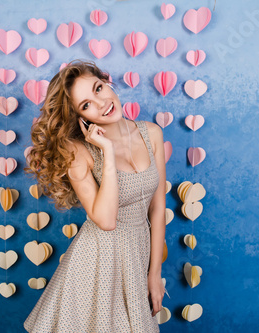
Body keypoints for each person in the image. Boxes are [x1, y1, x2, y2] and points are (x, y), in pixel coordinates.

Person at [23, 59, 167, 332]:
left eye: (99, 89)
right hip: (97, 261)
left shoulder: (152, 134)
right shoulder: (78, 152)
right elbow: (106, 220)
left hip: (137, 256)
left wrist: (155, 273)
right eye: (86, 105)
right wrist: (108, 152)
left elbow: (158, 208)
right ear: (80, 117)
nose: (101, 104)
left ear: (107, 81)